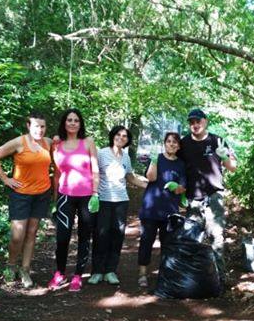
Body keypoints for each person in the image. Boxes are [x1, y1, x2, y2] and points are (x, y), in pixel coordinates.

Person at [0, 111, 52, 288]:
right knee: (18, 235)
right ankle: (10, 265)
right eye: (36, 126)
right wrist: (5, 179)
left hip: (42, 194)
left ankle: (25, 269)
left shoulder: (48, 143)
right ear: (28, 126)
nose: (40, 129)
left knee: (32, 233)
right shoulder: (19, 142)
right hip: (21, 195)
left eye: (43, 126)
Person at [178, 108, 237, 283]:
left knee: (217, 236)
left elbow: (233, 167)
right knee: (192, 236)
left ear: (205, 121)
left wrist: (224, 156)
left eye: (198, 121)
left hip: (214, 195)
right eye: (192, 122)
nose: (195, 125)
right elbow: (175, 164)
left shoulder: (217, 141)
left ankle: (220, 277)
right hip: (193, 197)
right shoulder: (184, 143)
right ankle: (192, 277)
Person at [47, 109, 99, 292]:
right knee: (62, 236)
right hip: (65, 196)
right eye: (69, 120)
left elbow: (95, 169)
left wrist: (95, 193)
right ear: (64, 123)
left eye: (76, 120)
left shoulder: (88, 142)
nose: (72, 123)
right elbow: (57, 173)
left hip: (86, 196)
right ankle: (59, 273)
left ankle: (77, 276)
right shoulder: (56, 144)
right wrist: (55, 200)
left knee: (85, 236)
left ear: (80, 124)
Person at [88, 125, 148, 285]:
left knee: (117, 235)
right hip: (103, 200)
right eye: (118, 135)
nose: (121, 138)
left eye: (124, 136)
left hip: (121, 201)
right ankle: (97, 271)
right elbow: (92, 173)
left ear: (127, 140)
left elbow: (130, 177)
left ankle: (110, 271)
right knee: (101, 234)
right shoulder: (101, 153)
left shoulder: (126, 157)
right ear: (113, 136)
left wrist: (149, 186)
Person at [137, 132, 186, 288]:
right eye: (169, 141)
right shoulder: (157, 158)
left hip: (169, 211)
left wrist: (175, 186)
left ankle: (165, 274)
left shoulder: (181, 164)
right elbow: (151, 178)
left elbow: (182, 189)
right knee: (146, 241)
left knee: (167, 244)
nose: (171, 144)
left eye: (175, 142)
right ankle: (142, 274)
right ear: (164, 143)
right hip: (151, 208)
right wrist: (154, 161)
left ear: (179, 146)